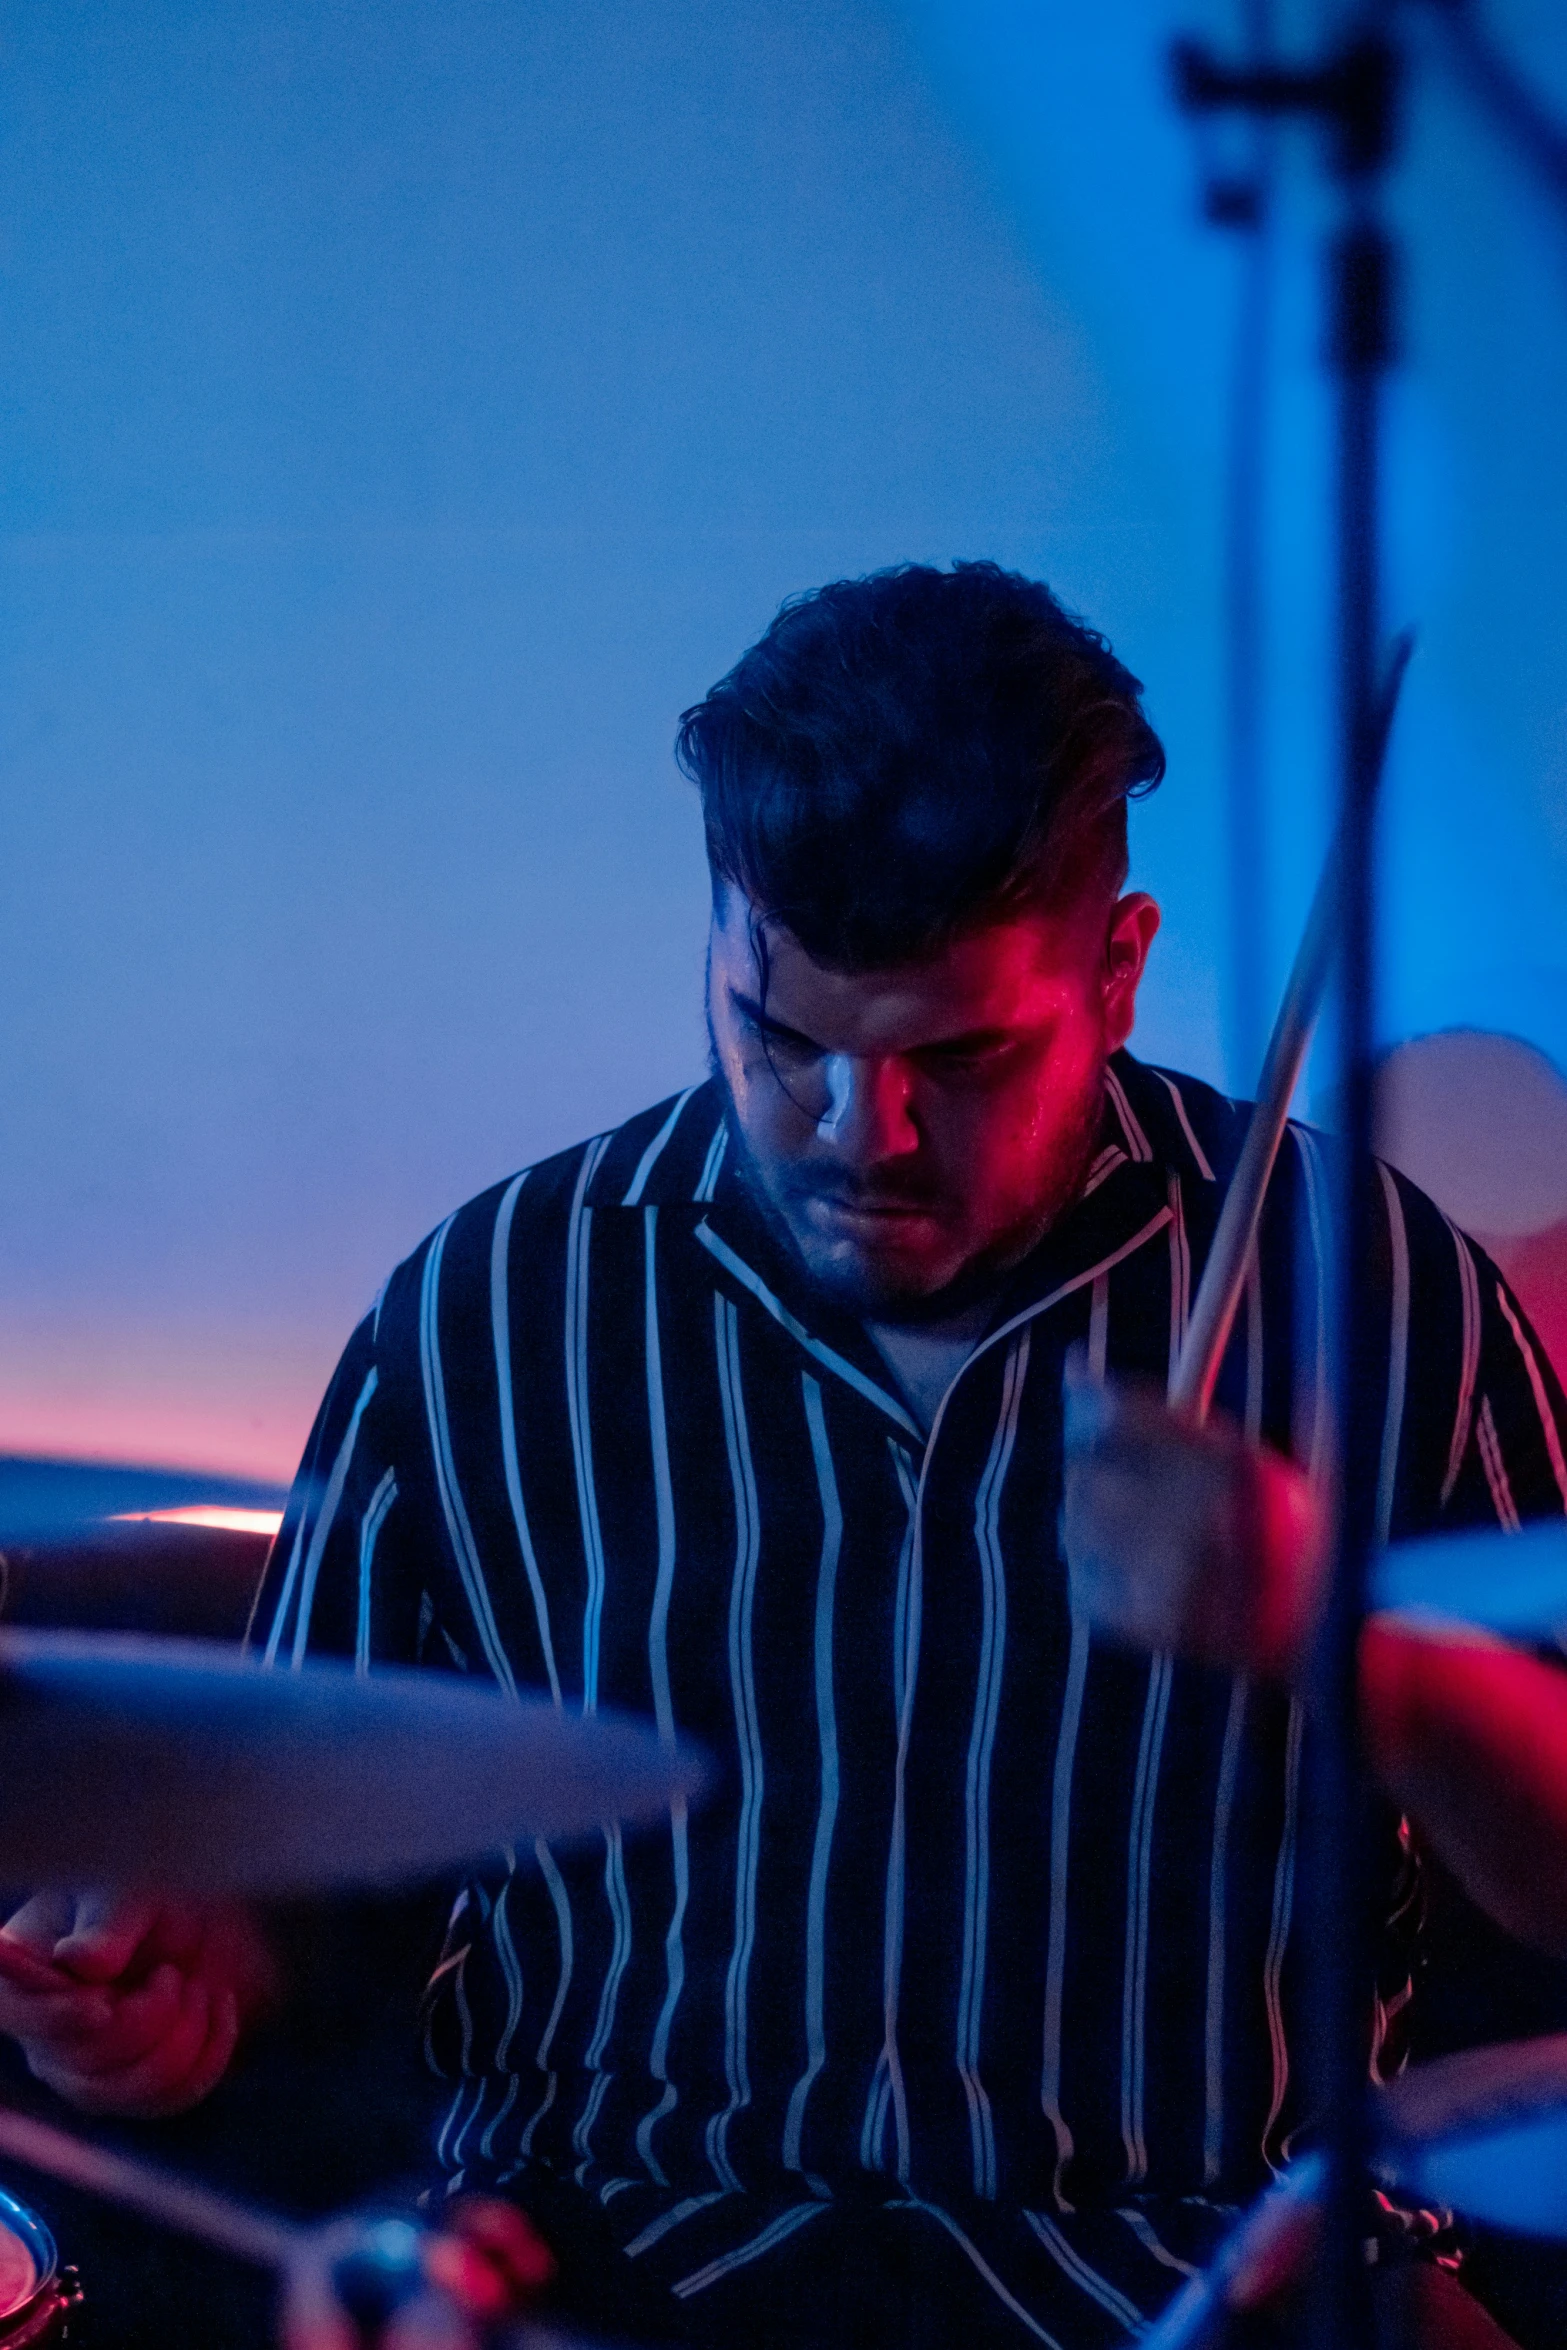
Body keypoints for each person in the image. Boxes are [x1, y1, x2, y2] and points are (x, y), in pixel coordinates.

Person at [5, 562, 1567, 2347]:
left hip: (1205, 2261)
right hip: (618, 2252)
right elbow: (295, 1885)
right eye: (779, 1038)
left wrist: (1332, 1638)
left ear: (1117, 970)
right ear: (718, 943)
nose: (859, 1133)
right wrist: (184, 1976)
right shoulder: (491, 1305)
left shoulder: (1369, 1295)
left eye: (960, 1058)